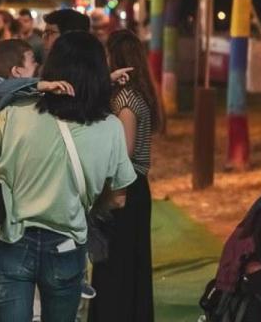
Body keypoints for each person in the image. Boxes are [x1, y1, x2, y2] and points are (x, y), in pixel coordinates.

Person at [0, 31, 136, 322]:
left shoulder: (16, 113)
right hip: (67, 246)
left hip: (12, 242)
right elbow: (119, 198)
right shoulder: (111, 128)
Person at [89, 30, 161, 322]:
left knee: (116, 265)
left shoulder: (125, 99)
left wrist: (112, 189)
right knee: (132, 263)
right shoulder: (139, 94)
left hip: (124, 189)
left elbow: (124, 151)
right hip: (137, 187)